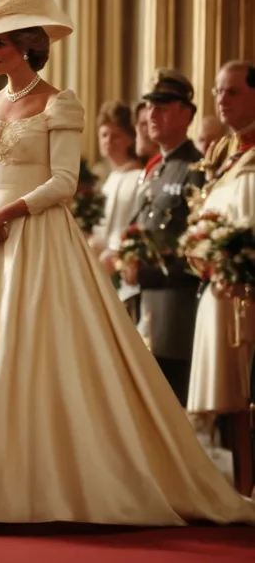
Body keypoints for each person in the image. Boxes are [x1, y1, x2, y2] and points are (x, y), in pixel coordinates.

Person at [0, 0, 255, 526]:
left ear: (25, 46)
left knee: (42, 351)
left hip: (36, 238)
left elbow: (64, 182)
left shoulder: (60, 101)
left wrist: (5, 213)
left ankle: (50, 486)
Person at [188, 60, 255, 496]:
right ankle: (242, 487)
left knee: (249, 396)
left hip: (247, 291)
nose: (221, 100)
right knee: (230, 400)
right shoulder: (226, 157)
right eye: (217, 91)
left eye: (231, 91)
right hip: (220, 289)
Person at [120, 70, 204, 407]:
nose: (152, 114)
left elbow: (199, 251)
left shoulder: (197, 168)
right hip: (147, 307)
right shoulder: (156, 169)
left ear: (187, 113)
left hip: (176, 312)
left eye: (164, 105)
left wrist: (146, 273)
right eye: (149, 106)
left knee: (171, 410)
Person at [88, 101, 142, 274]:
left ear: (130, 138)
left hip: (124, 264)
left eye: (116, 135)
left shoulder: (138, 177)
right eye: (104, 135)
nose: (109, 141)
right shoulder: (109, 179)